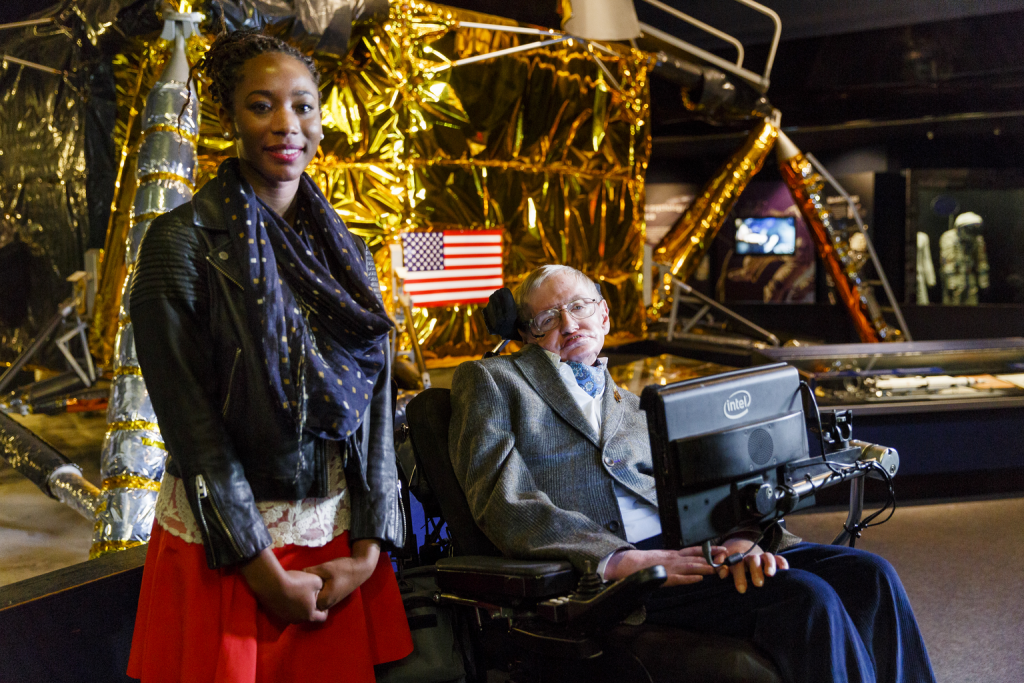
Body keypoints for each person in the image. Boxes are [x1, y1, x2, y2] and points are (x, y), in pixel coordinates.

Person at [449, 264, 936, 683]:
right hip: (613, 576)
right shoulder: (495, 380)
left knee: (871, 576)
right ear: (527, 333)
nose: (569, 323)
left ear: (604, 315)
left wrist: (742, 537)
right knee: (806, 600)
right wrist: (616, 560)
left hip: (699, 549)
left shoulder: (640, 407)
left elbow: (703, 491)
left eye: (578, 307)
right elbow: (500, 498)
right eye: (548, 316)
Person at [127, 30, 412, 683]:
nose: (287, 124)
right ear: (230, 118)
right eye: (263, 105)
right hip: (231, 548)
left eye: (303, 106)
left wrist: (369, 550)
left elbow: (374, 411)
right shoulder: (180, 245)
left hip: (335, 542)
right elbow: (193, 431)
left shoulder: (349, 251)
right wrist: (263, 572)